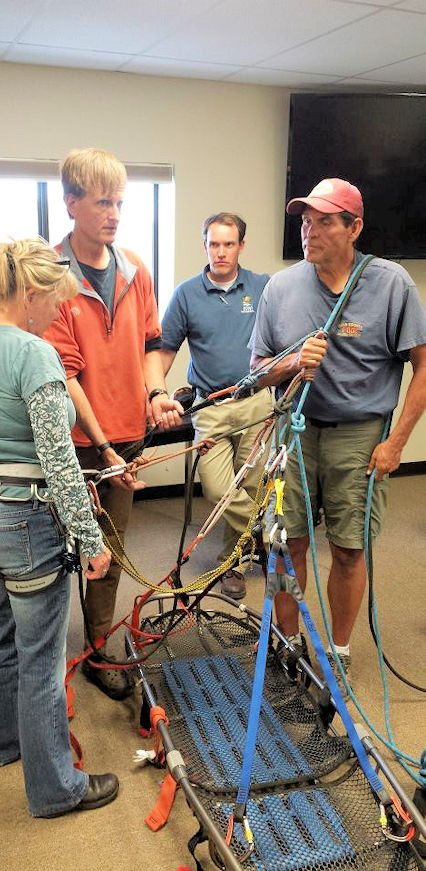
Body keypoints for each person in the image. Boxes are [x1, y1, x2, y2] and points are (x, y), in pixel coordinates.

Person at [0, 238, 119, 817]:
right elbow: (58, 459)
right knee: (41, 659)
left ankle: (3, 746)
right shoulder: (34, 354)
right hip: (26, 525)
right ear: (30, 293)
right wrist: (92, 542)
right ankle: (56, 790)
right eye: (56, 303)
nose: (59, 314)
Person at [250, 178, 426, 690]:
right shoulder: (281, 288)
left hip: (360, 434)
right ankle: (288, 643)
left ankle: (339, 649)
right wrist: (288, 363)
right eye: (305, 221)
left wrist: (396, 444)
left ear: (355, 228)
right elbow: (257, 369)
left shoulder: (391, 284)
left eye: (324, 221)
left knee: (349, 548)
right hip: (295, 431)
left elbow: (422, 364)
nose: (309, 231)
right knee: (287, 545)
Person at [43, 148, 183, 699]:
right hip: (74, 441)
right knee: (60, 547)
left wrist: (155, 390)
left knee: (111, 546)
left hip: (127, 434)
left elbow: (153, 343)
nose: (115, 213)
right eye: (103, 202)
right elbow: (67, 374)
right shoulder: (51, 278)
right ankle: (46, 656)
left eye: (120, 202)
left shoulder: (134, 268)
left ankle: (100, 646)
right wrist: (103, 450)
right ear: (71, 202)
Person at [160, 213, 273, 600]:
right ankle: (268, 532)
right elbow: (165, 349)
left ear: (241, 245)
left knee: (251, 484)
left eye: (228, 244)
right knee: (218, 488)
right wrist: (155, 392)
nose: (220, 252)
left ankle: (234, 564)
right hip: (210, 407)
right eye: (213, 244)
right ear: (204, 245)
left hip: (257, 404)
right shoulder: (187, 294)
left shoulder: (263, 287)